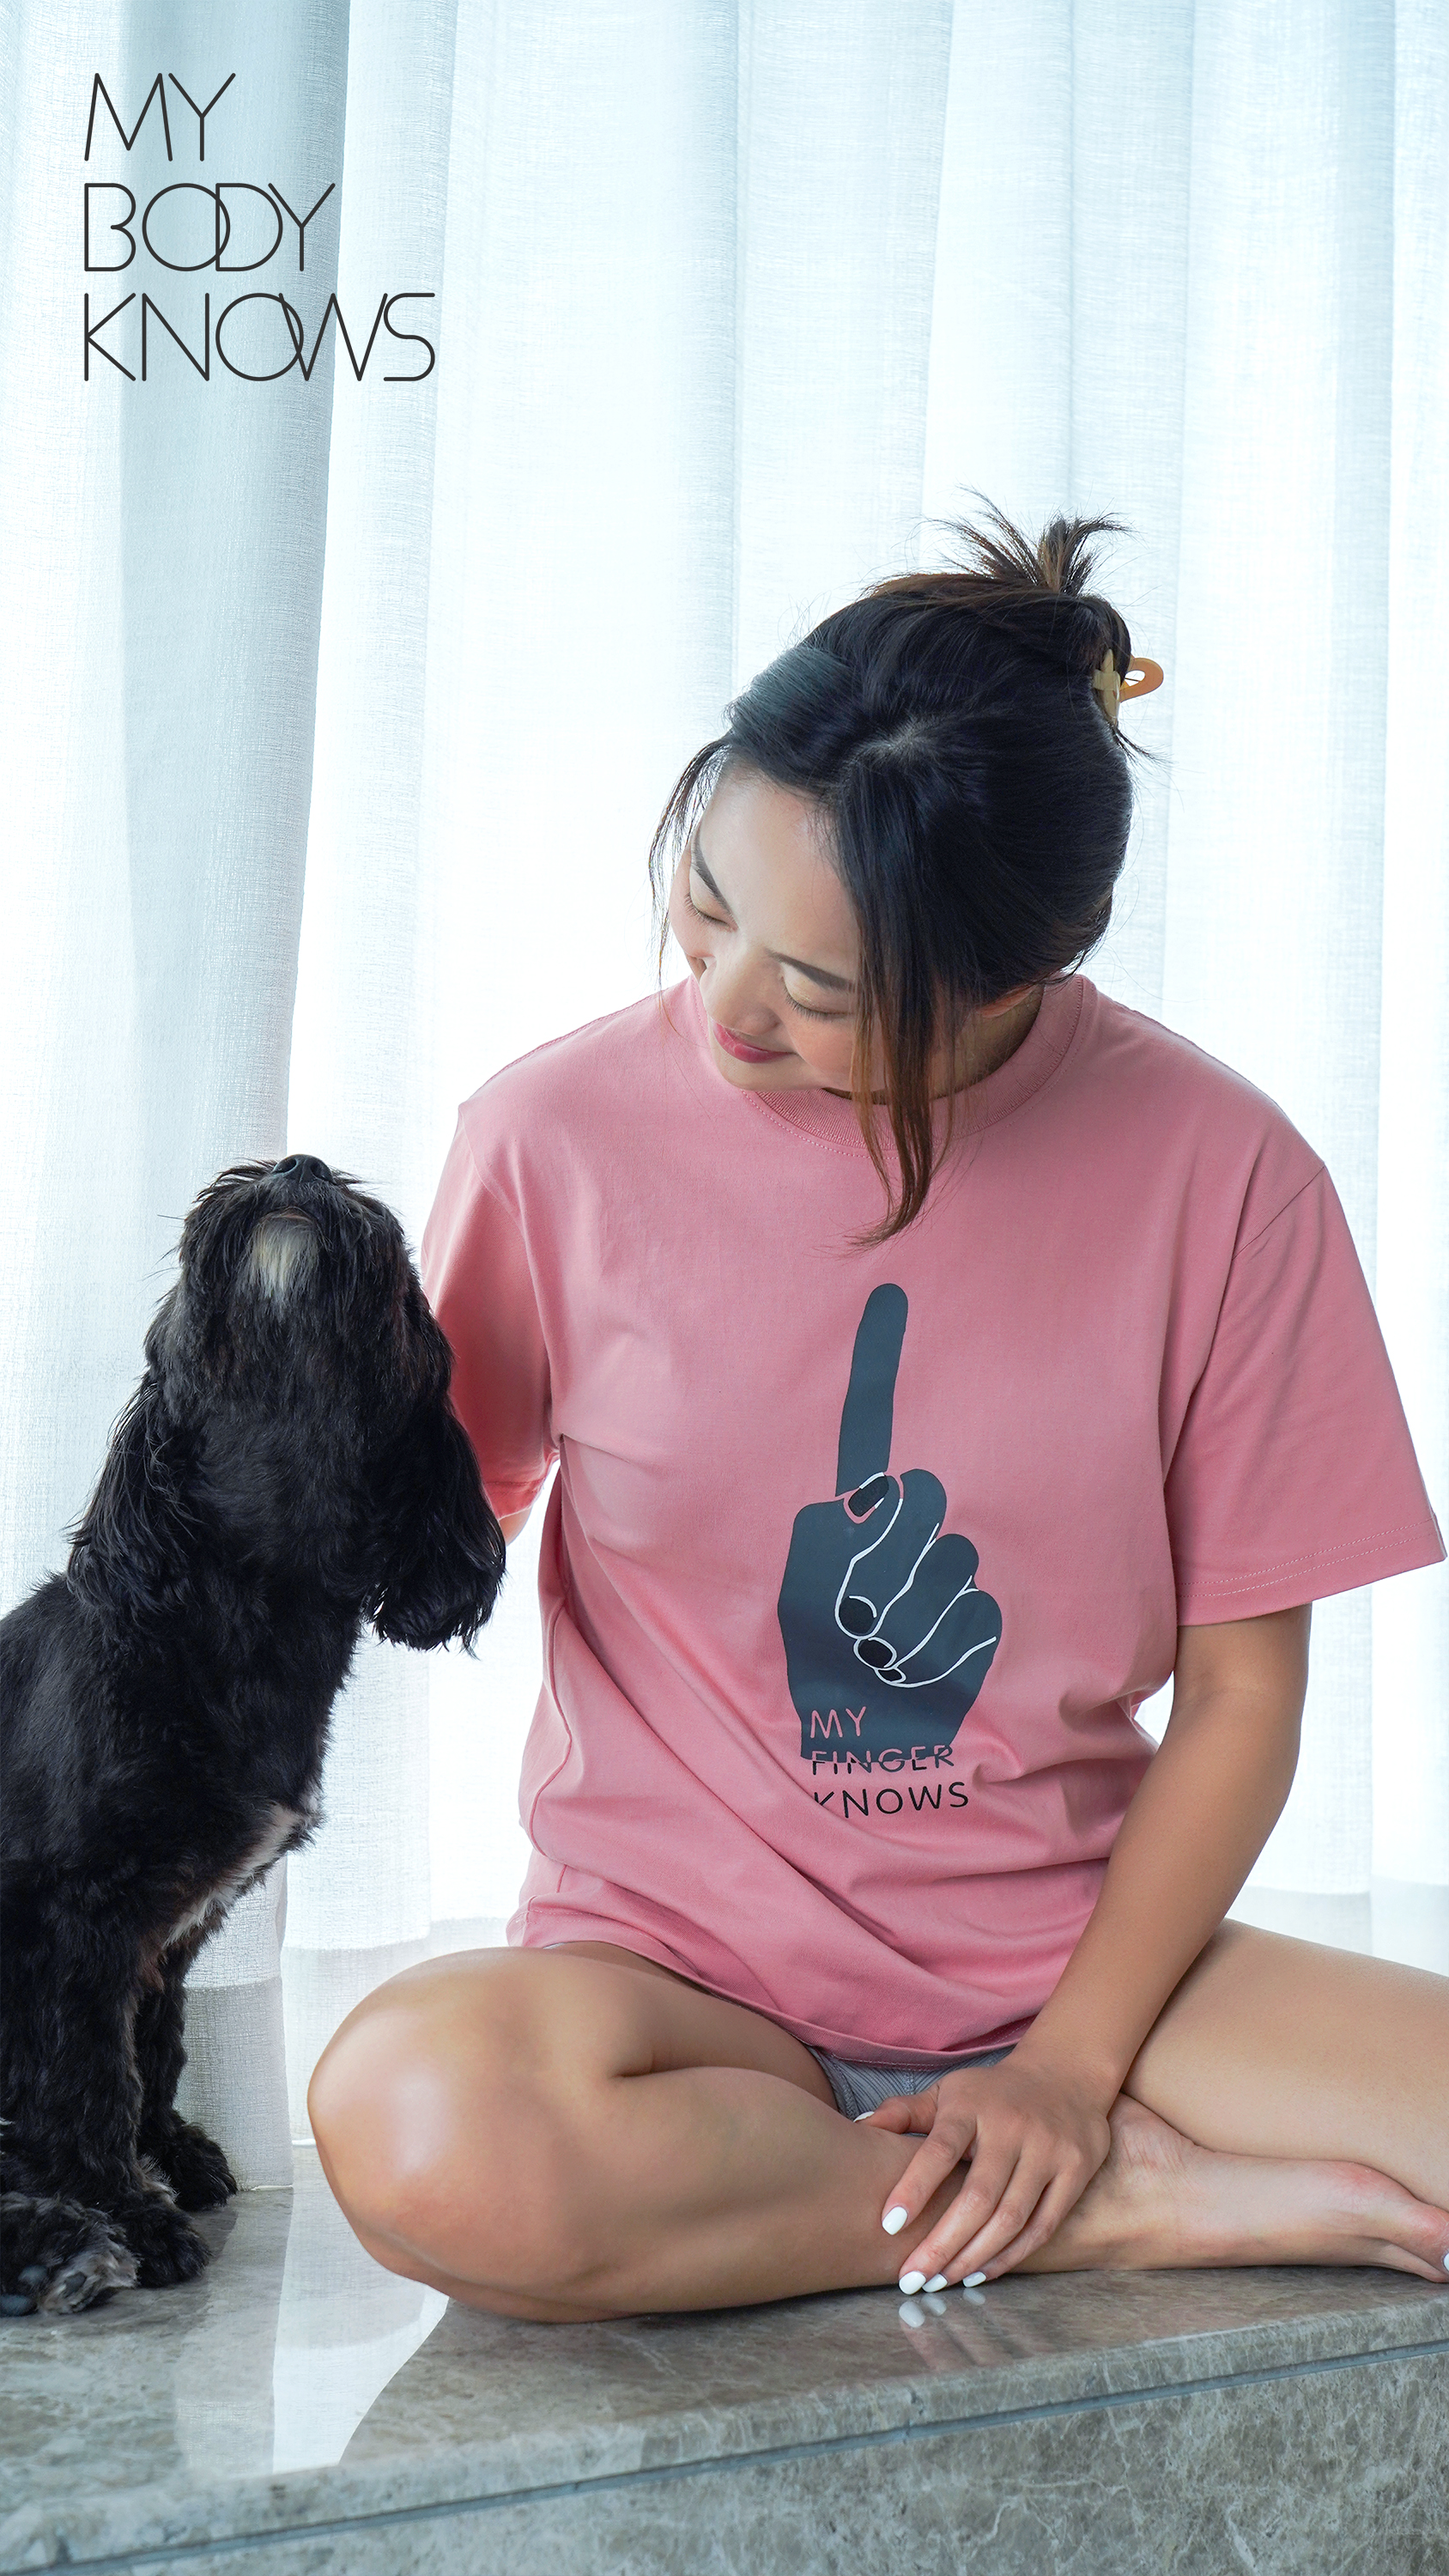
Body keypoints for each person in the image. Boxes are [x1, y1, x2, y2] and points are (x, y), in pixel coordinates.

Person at [308, 501, 1449, 2323]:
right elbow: (417, 1543)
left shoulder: (1225, 1176)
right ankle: (1101, 2216)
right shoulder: (550, 1141)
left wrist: (1065, 2072)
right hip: (680, 1979)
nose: (724, 1006)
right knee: (419, 2120)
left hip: (1092, 1971)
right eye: (708, 902)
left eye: (820, 993)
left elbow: (1245, 1697)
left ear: (1014, 976)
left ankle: (959, 2175)